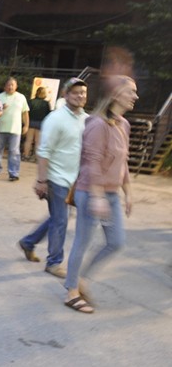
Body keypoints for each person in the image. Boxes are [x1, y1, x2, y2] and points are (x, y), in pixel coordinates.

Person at [63, 75, 137, 314]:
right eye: (131, 92)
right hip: (90, 194)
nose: (135, 96)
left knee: (116, 242)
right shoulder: (97, 124)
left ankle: (82, 279)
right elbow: (91, 164)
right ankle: (71, 291)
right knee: (82, 241)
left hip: (111, 196)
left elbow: (123, 161)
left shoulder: (123, 124)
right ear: (115, 95)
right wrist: (96, 197)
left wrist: (128, 192)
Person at [18, 78, 88, 277]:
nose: (80, 95)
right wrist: (41, 180)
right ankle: (54, 262)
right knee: (60, 220)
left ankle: (28, 242)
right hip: (55, 178)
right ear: (65, 95)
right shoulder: (55, 119)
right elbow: (43, 152)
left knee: (59, 217)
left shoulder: (86, 119)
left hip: (74, 180)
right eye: (75, 92)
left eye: (83, 92)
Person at [0, 77, 30, 180]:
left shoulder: (21, 97)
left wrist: (26, 125)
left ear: (16, 86)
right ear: (5, 86)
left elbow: (25, 113)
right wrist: (1, 108)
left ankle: (14, 173)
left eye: (12, 85)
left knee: (14, 151)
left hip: (15, 129)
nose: (10, 87)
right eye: (8, 85)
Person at [23, 87, 52, 162]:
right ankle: (36, 158)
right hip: (41, 123)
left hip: (31, 122)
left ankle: (26, 155)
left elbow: (27, 112)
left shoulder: (31, 101)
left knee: (28, 140)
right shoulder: (46, 103)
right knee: (38, 142)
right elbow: (48, 114)